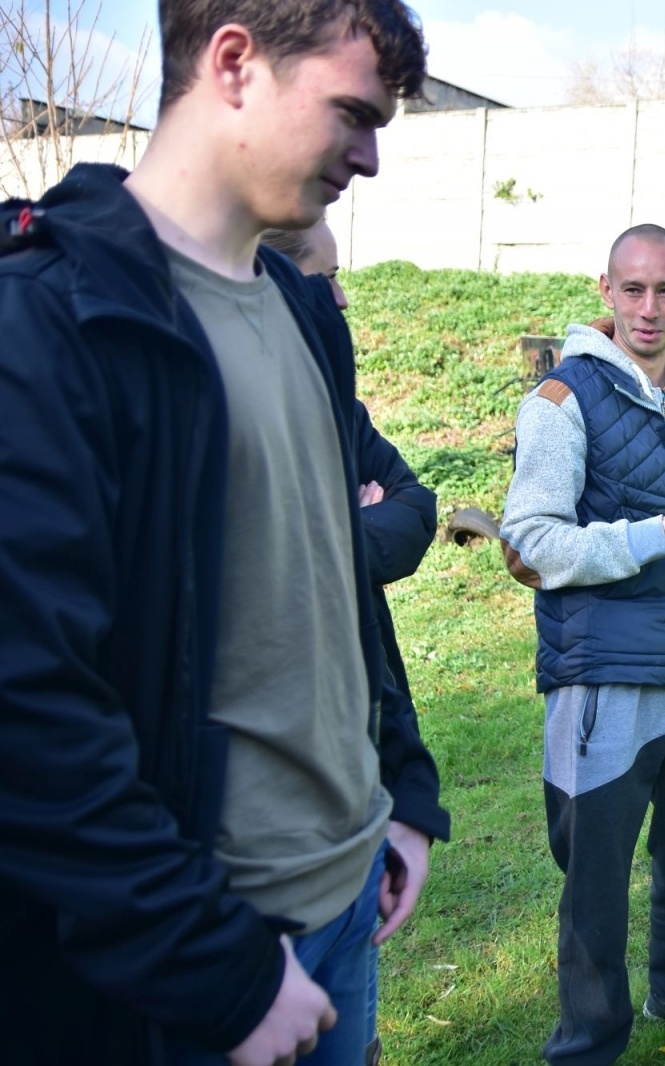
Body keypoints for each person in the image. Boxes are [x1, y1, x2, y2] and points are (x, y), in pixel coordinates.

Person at [0, 3, 449, 1065]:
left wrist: (402, 785)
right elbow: (28, 706)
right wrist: (214, 967)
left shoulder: (300, 309)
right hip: (204, 962)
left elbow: (329, 587)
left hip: (350, 897)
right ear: (235, 62)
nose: (370, 158)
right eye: (353, 114)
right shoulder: (47, 322)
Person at [500, 224, 665, 1066]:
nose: (649, 308)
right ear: (605, 291)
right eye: (633, 289)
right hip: (604, 678)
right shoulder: (561, 400)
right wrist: (656, 537)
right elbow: (530, 542)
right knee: (595, 885)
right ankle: (588, 1041)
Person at [263, 217, 440, 1061]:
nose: (340, 299)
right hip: (261, 886)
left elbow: (416, 510)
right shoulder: (199, 410)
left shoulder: (339, 409)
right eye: (324, 278)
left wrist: (326, 538)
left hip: (357, 834)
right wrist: (350, 529)